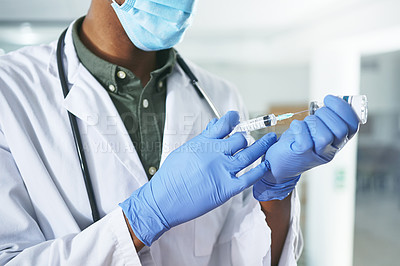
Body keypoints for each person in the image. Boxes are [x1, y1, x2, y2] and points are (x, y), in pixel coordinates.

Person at [0, 0, 360, 265]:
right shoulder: (9, 90)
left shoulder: (220, 96)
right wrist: (142, 218)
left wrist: (276, 193)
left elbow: (243, 257)